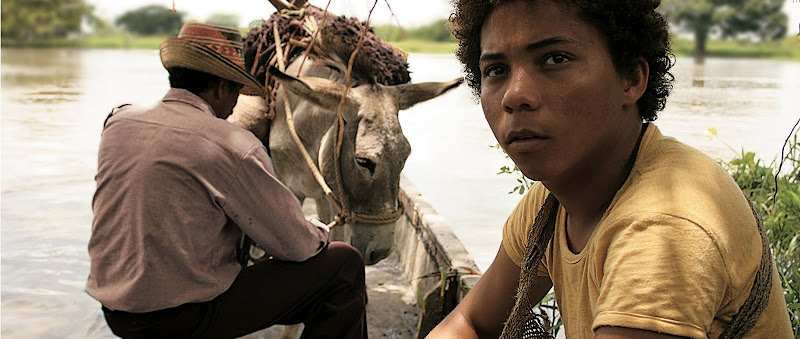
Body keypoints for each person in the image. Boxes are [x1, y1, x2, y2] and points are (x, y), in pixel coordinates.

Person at [428, 0, 793, 338]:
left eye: (555, 59)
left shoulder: (665, 227)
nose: (514, 95)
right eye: (496, 70)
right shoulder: (554, 202)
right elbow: (470, 321)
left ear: (632, 78)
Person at [86, 22, 367, 338]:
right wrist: (316, 229)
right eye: (236, 90)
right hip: (178, 319)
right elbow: (296, 246)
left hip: (117, 312)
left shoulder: (119, 120)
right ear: (220, 87)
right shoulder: (232, 143)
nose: (235, 104)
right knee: (344, 265)